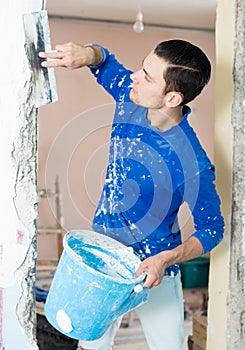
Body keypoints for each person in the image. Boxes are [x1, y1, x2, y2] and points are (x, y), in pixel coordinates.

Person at [39, 39, 224, 350]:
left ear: (173, 97)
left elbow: (212, 228)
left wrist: (165, 259)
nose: (135, 77)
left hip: (154, 273)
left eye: (148, 76)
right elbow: (104, 60)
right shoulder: (131, 96)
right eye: (142, 67)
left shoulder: (192, 162)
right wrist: (87, 54)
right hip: (103, 262)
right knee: (89, 345)